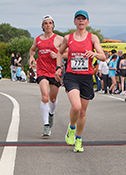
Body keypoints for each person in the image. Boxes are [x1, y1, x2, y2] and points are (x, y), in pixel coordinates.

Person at [55, 10, 105, 153]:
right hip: (71, 76)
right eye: (78, 19)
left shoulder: (92, 38)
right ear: (74, 22)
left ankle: (78, 139)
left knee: (82, 112)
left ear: (88, 22)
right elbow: (59, 52)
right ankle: (71, 128)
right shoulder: (68, 38)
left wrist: (94, 53)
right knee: (76, 107)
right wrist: (58, 67)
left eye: (84, 19)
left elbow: (103, 57)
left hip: (87, 77)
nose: (81, 21)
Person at [29, 15, 64, 137]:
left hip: (55, 71)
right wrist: (32, 57)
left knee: (53, 99)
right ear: (42, 26)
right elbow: (32, 50)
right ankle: (46, 126)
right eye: (45, 23)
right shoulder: (38, 39)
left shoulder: (59, 39)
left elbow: (69, 52)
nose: (48, 25)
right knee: (45, 97)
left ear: (53, 25)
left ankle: (51, 114)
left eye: (50, 23)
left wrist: (59, 55)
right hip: (42, 70)